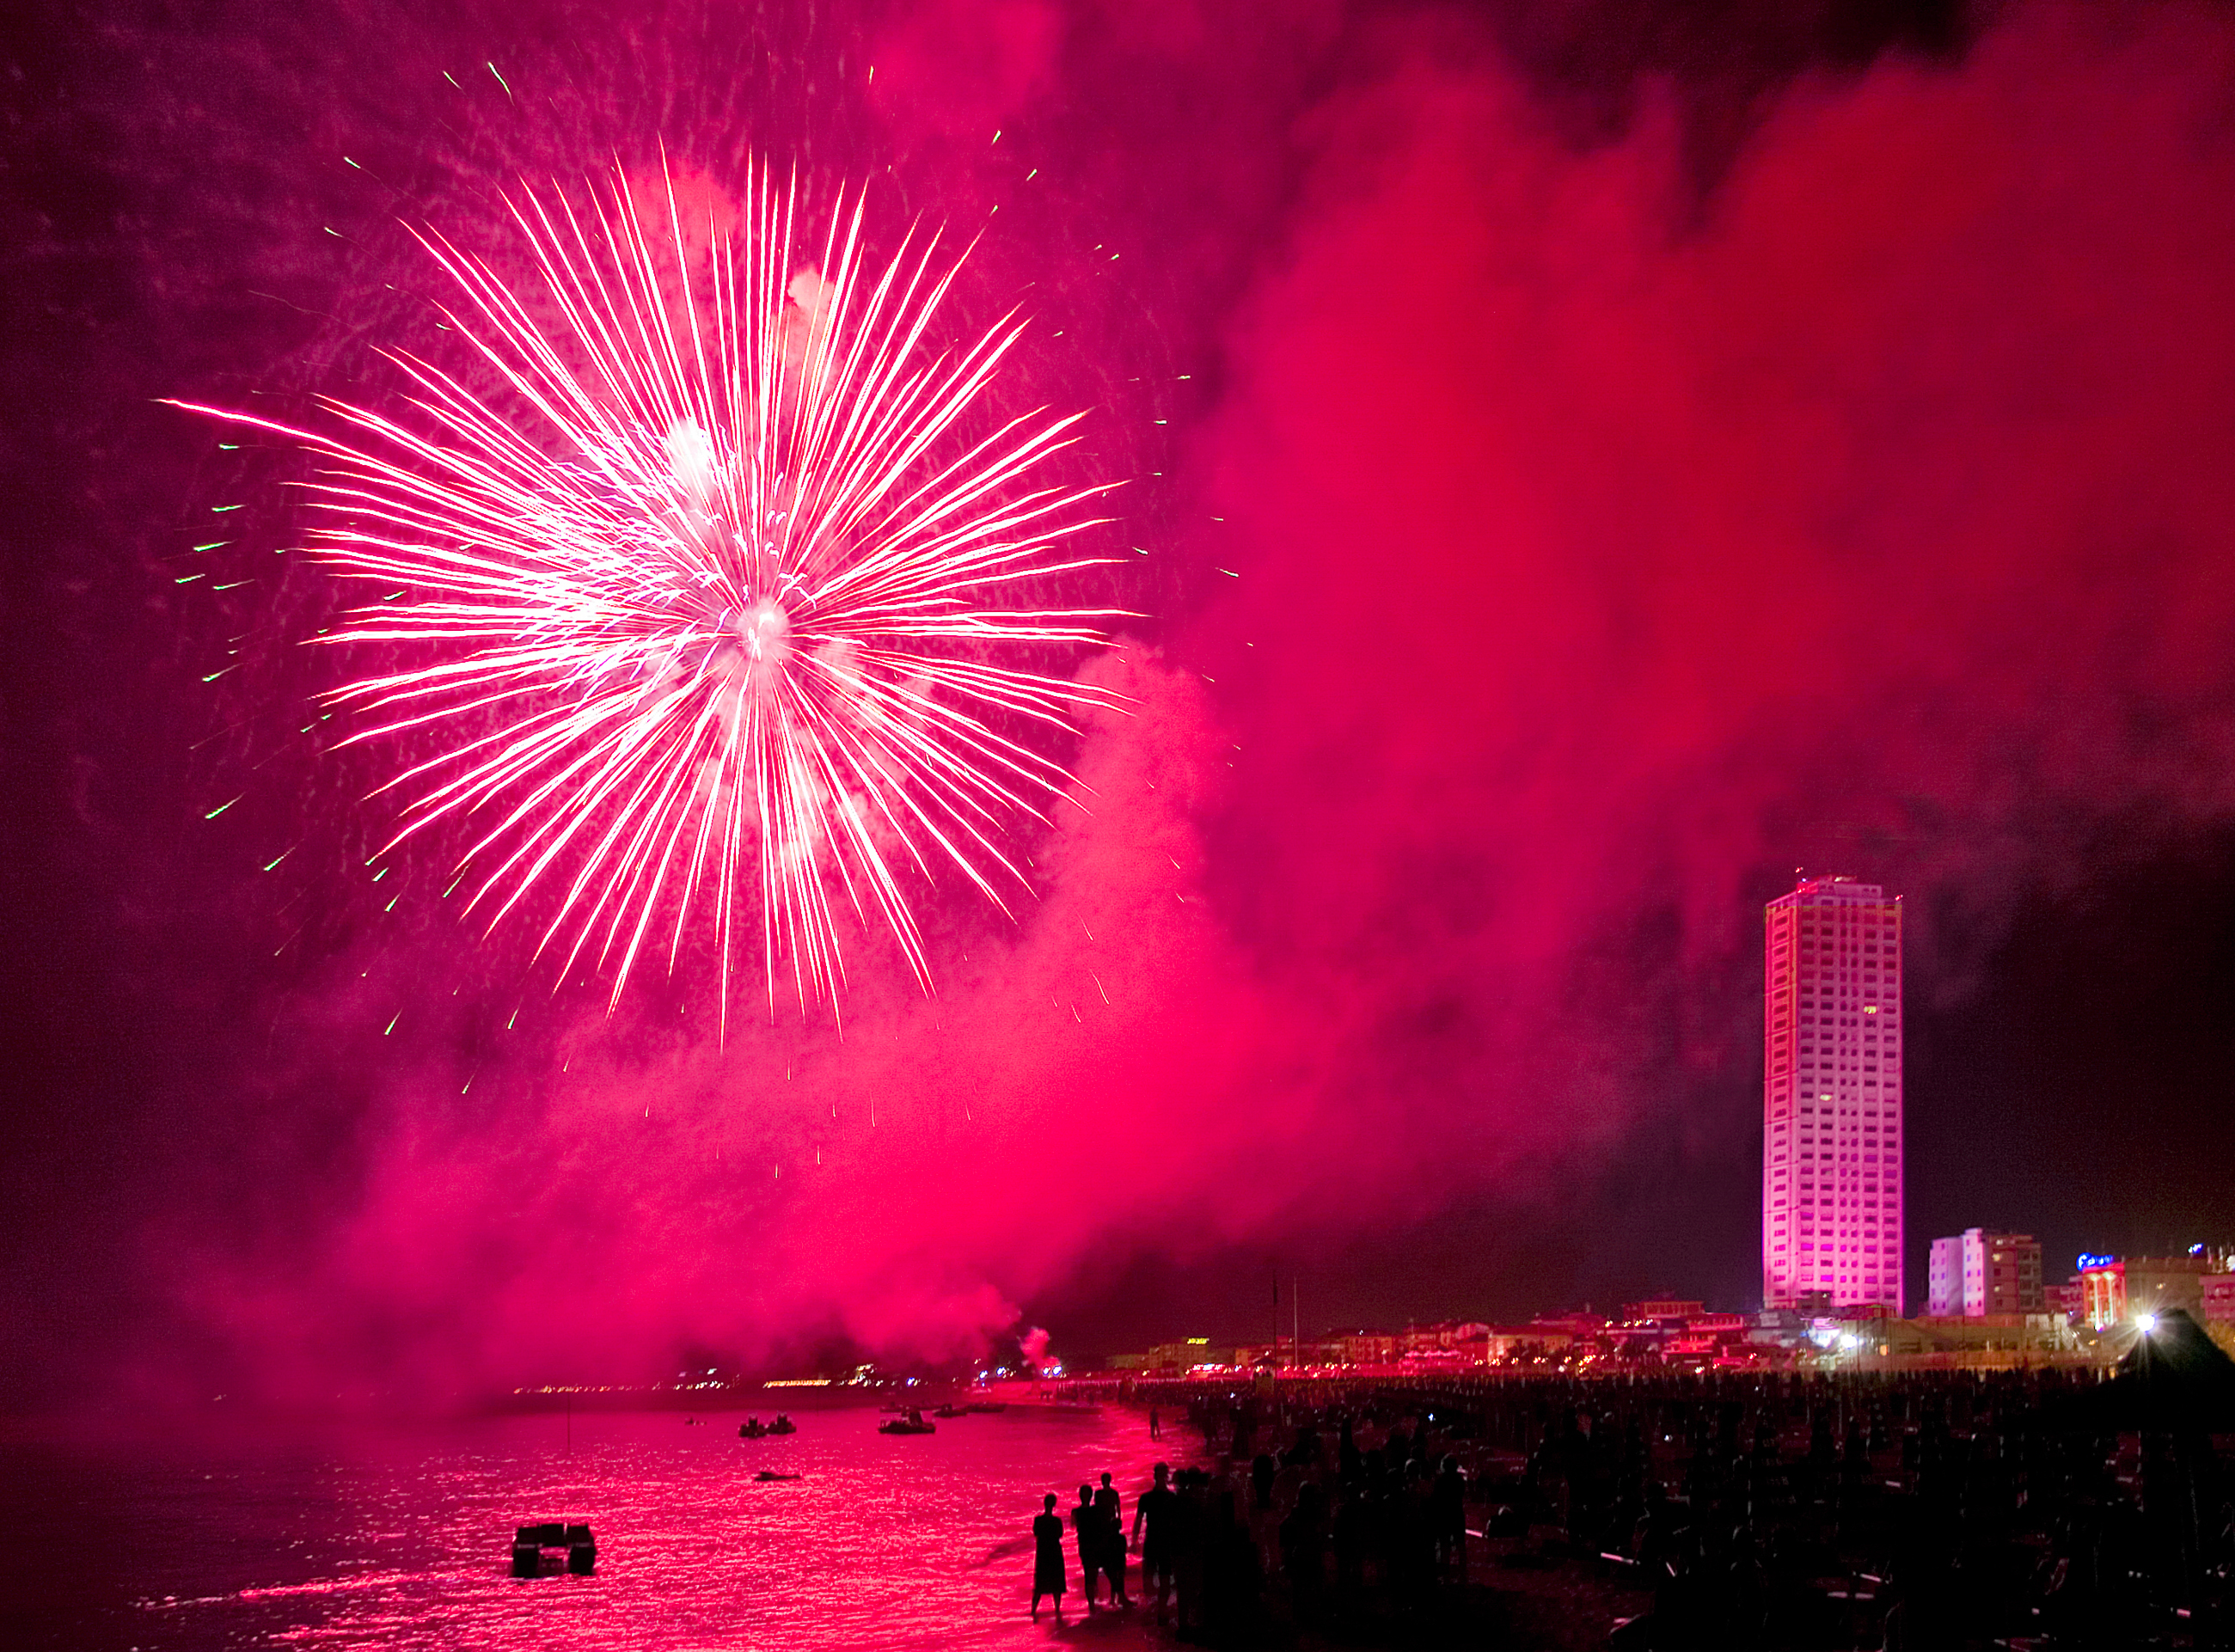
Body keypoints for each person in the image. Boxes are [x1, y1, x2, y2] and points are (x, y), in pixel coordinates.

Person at [1135, 1460, 1179, 1624]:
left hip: (1159, 1541)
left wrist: (1134, 1540)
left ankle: (1159, 1609)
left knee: (1160, 1576)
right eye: (1161, 1474)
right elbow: (1138, 1520)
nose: (1162, 1477)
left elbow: (1139, 1520)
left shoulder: (1153, 1497)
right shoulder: (1167, 1498)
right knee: (1154, 1577)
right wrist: (1134, 1540)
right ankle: (1158, 1608)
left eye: (1163, 1474)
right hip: (1157, 1540)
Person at [1096, 1471, 1130, 1605]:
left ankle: (1114, 1597)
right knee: (1114, 1564)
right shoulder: (1102, 1494)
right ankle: (1115, 1597)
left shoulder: (1110, 1493)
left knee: (1113, 1564)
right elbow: (1115, 1508)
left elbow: (1118, 1508)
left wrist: (1118, 1520)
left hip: (1109, 1525)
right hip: (1106, 1526)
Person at [1032, 1493, 1066, 1621]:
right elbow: (1060, 1534)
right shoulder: (1056, 1521)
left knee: (1040, 1583)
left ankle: (1034, 1610)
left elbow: (1036, 1533)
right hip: (1054, 1552)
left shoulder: (1039, 1520)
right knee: (1056, 1583)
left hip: (1043, 1553)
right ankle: (1057, 1609)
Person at [1072, 1484, 1101, 1609]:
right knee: (1092, 1572)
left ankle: (1092, 1603)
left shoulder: (1077, 1512)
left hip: (1085, 1544)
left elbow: (1074, 1525)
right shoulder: (1095, 1511)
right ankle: (1092, 1602)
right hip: (1093, 1544)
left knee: (1089, 1573)